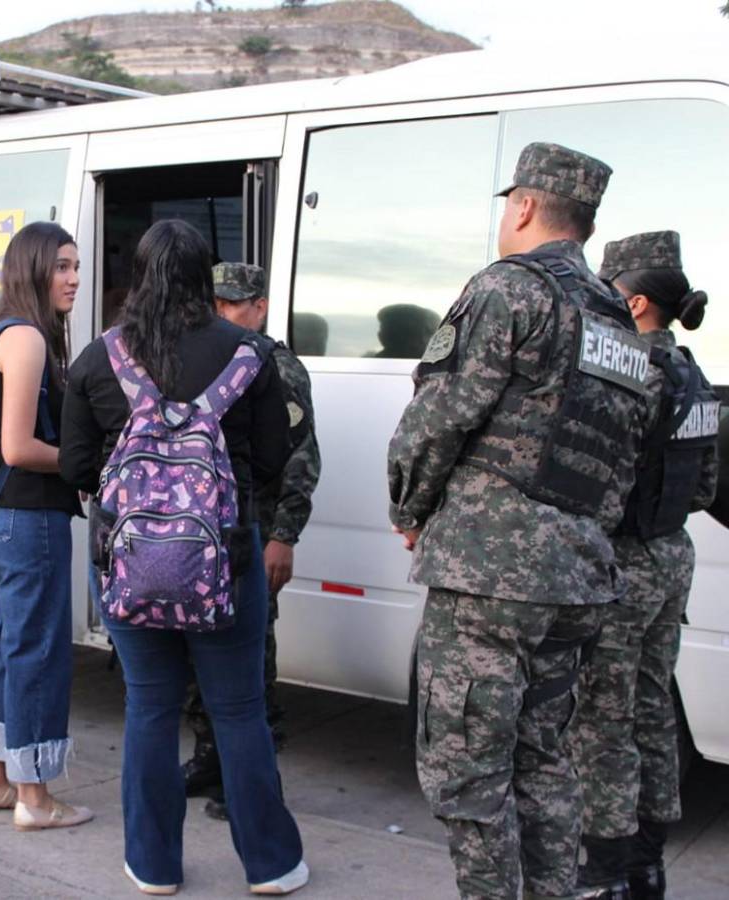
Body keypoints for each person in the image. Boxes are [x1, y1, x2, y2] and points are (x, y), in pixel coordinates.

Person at [386, 143, 650, 900]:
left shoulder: (510, 288)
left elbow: (435, 421)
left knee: (469, 777)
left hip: (488, 575)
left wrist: (411, 509)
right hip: (577, 577)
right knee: (544, 762)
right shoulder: (616, 320)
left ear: (525, 206)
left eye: (510, 203)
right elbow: (617, 460)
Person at [61, 220, 308, 895]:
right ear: (205, 277)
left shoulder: (96, 358)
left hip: (127, 561)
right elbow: (272, 460)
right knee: (238, 711)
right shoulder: (249, 355)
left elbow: (77, 465)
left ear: (140, 275)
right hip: (226, 558)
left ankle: (152, 864)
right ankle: (272, 865)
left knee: (148, 707)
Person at [570, 231, 719, 900]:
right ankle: (648, 864)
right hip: (672, 555)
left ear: (633, 302)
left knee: (604, 717)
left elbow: (594, 479)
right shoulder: (693, 374)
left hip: (623, 563)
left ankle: (606, 872)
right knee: (653, 706)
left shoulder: (627, 376)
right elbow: (709, 486)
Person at [182, 262, 321, 822]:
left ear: (259, 308)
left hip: (252, 532)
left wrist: (283, 537)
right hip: (203, 536)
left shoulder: (274, 366)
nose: (221, 314)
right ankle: (211, 757)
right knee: (198, 652)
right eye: (214, 304)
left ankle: (255, 779)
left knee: (249, 659)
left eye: (232, 304)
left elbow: (301, 459)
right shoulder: (206, 356)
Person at [0, 221, 92, 831]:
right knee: (37, 652)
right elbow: (17, 447)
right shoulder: (28, 339)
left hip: (10, 515)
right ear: (34, 269)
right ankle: (34, 797)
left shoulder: (5, 329)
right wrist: (87, 464)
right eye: (62, 266)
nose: (73, 277)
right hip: (29, 513)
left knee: (11, 646)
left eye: (76, 265)